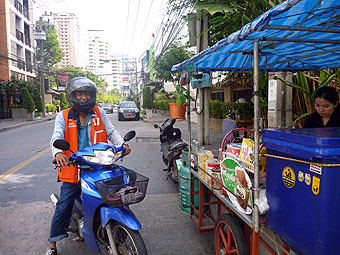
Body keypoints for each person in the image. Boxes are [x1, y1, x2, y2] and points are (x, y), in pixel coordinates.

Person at [46, 77, 131, 255]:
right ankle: (52, 245)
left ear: (92, 96)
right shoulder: (62, 116)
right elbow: (56, 137)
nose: (84, 97)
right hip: (73, 168)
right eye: (80, 93)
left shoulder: (99, 112)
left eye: (87, 94)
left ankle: (118, 230)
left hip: (99, 167)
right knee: (64, 205)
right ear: (73, 95)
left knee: (117, 197)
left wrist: (122, 145)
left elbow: (111, 131)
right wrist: (58, 153)